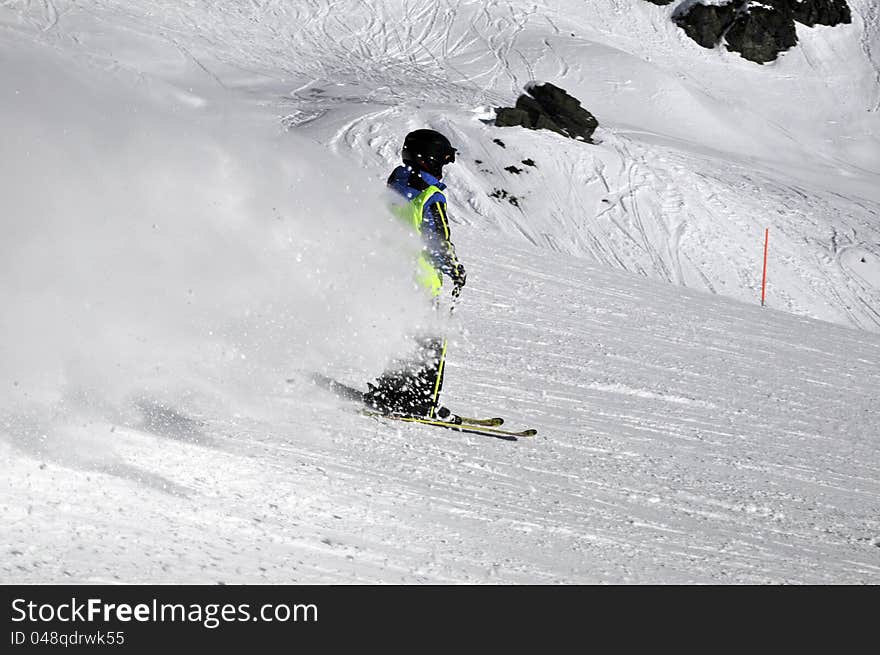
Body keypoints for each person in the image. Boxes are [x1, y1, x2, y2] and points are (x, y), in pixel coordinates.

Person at [362, 129, 467, 421]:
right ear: (431, 160)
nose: (443, 169)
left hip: (392, 274)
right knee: (432, 341)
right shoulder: (430, 196)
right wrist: (456, 270)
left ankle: (389, 392)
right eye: (442, 163)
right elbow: (439, 242)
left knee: (405, 336)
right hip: (420, 280)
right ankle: (423, 402)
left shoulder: (396, 183)